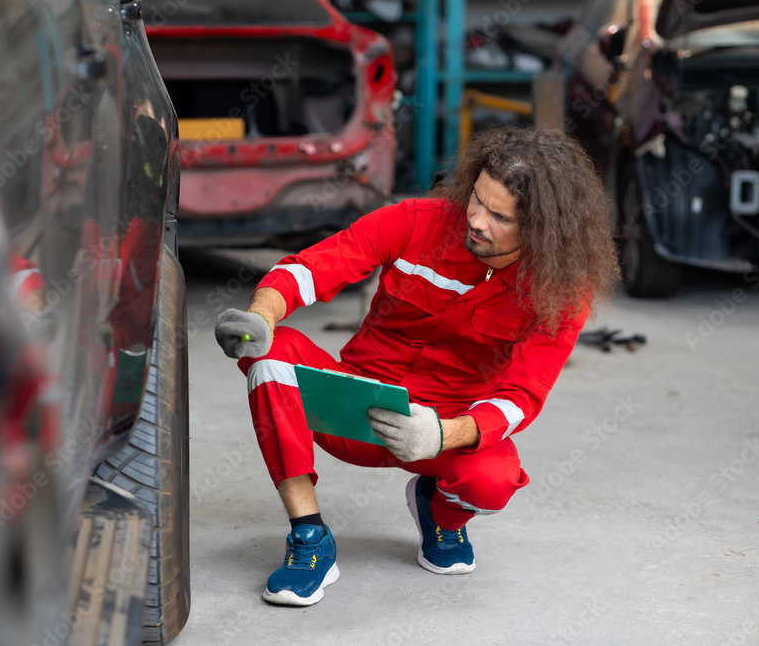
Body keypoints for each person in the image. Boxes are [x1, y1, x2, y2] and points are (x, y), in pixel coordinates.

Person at [214, 126, 620, 606]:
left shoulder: (561, 291)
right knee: (268, 351)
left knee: (494, 481)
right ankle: (309, 535)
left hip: (442, 428)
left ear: (540, 230)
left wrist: (445, 435)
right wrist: (262, 314)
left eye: (498, 215)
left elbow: (522, 397)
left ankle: (439, 512)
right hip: (353, 404)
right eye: (476, 200)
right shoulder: (414, 221)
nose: (476, 219)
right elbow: (311, 268)